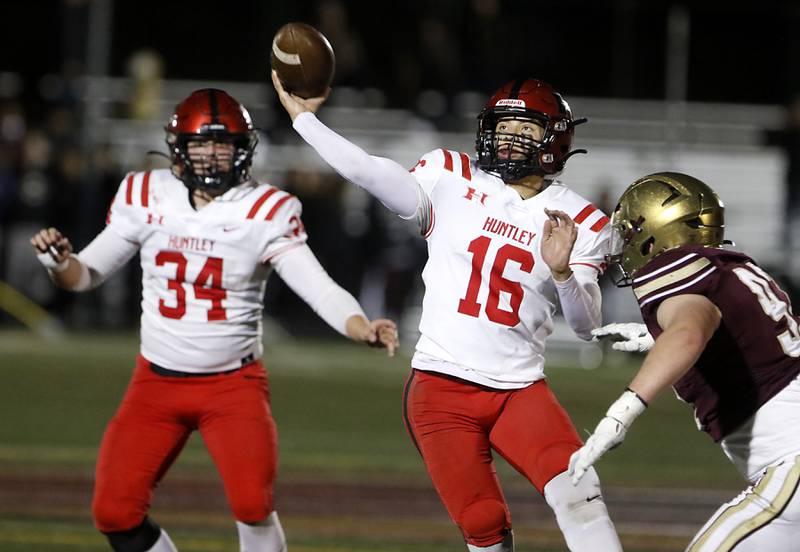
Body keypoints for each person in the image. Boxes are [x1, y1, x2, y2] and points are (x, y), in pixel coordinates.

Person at [30, 88, 398, 552]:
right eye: (202, 144)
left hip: (232, 386)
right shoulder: (147, 194)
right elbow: (83, 276)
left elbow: (318, 286)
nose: (212, 155)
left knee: (252, 505)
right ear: (179, 148)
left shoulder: (266, 208)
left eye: (223, 144)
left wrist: (360, 325)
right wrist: (58, 263)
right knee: (114, 511)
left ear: (243, 149)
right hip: (155, 383)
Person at [272, 73, 623, 552]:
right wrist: (306, 122)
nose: (511, 138)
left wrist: (563, 273)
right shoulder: (448, 176)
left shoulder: (581, 219)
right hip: (440, 388)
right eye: (505, 126)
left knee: (581, 495)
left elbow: (587, 328)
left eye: (527, 130)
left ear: (554, 141)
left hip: (518, 389)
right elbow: (368, 171)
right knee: (484, 525)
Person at [568, 172, 800, 551]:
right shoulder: (729, 265)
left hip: (791, 460)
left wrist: (620, 414)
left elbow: (690, 332)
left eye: (629, 234)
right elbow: (740, 333)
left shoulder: (677, 267)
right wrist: (654, 336)